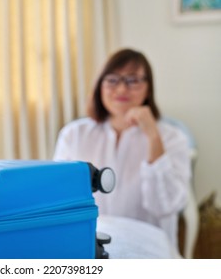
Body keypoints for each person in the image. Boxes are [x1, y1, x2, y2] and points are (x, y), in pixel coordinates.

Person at [53, 48, 191, 249]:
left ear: (148, 87)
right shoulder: (74, 134)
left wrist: (153, 136)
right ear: (100, 84)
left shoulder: (172, 138)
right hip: (89, 241)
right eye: (112, 80)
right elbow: (61, 198)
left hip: (147, 244)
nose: (121, 89)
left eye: (133, 80)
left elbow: (166, 206)